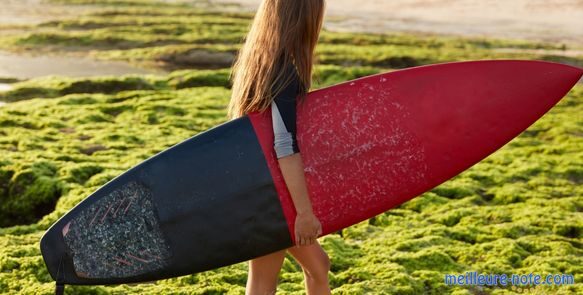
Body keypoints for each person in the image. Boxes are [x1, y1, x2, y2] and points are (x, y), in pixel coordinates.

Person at [227, 0, 330, 294]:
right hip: (271, 196)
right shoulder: (283, 72)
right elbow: (284, 144)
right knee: (275, 277)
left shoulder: (259, 63)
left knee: (312, 267)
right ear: (304, 16)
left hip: (258, 189)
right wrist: (305, 213)